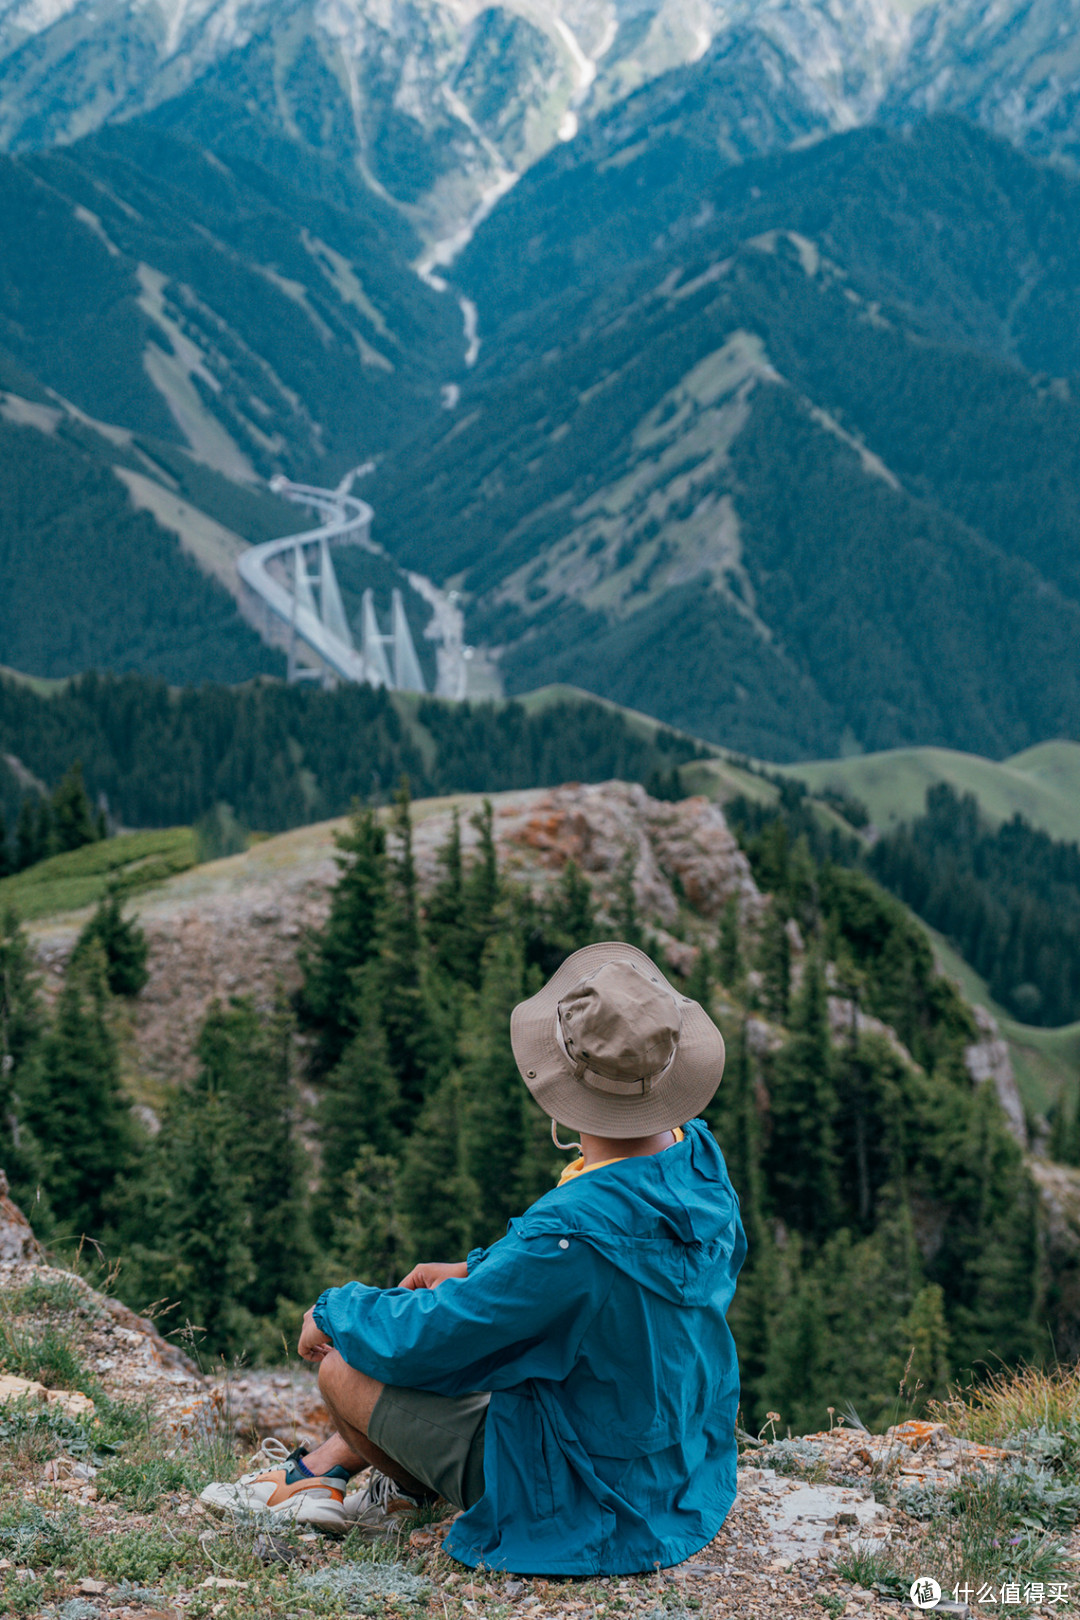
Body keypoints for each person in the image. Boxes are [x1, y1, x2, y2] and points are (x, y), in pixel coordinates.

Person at [202, 940, 746, 1575]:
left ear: (563, 1077)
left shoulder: (569, 1234)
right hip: (676, 1465)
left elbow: (437, 1342)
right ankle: (334, 1471)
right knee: (464, 1340)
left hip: (589, 1501)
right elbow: (602, 1282)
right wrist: (480, 1269)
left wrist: (334, 1308)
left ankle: (369, 1483)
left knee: (345, 1364)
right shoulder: (697, 1160)